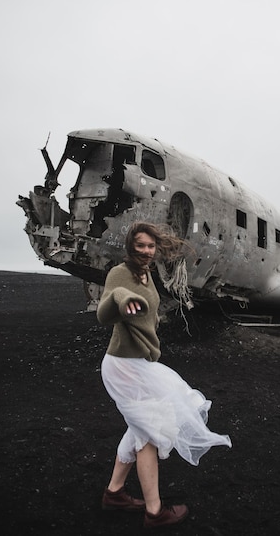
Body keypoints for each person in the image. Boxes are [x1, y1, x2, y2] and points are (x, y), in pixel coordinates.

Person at [97, 221, 232, 529]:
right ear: (130, 246)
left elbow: (147, 315)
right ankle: (154, 512)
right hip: (123, 366)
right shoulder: (120, 274)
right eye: (140, 245)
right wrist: (119, 297)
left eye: (150, 246)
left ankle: (115, 492)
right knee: (149, 433)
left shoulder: (147, 274)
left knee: (140, 426)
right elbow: (103, 316)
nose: (146, 251)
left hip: (141, 364)